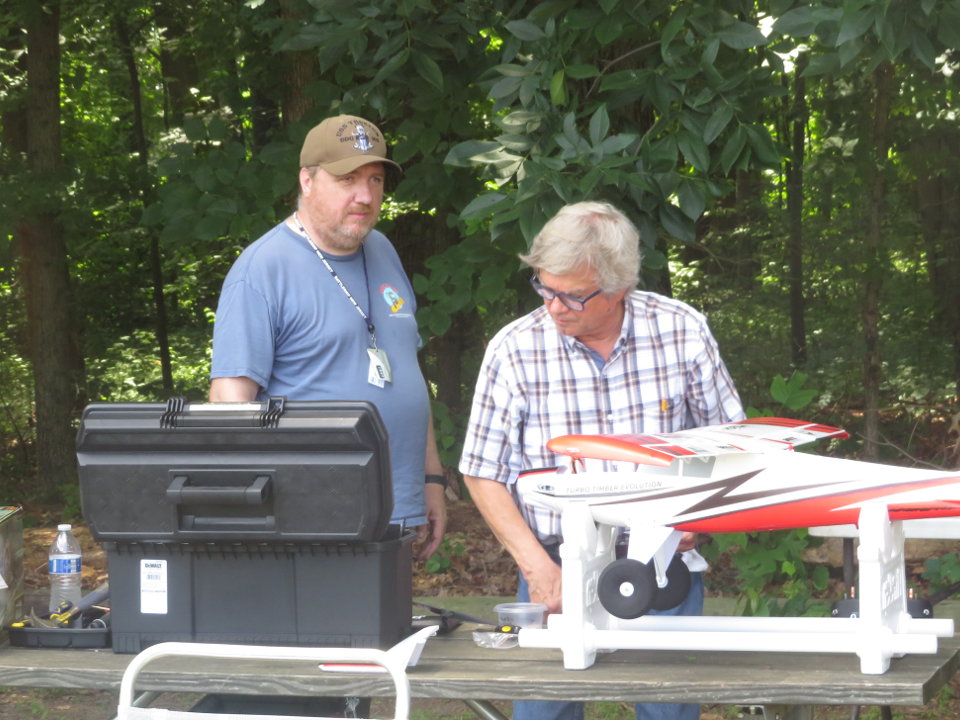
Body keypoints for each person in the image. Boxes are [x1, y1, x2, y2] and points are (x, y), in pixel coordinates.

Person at [459, 201, 744, 720]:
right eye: (544, 288)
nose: (554, 306)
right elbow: (482, 472)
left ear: (619, 289)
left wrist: (696, 517)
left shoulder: (682, 330)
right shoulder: (513, 350)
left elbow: (732, 443)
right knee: (544, 712)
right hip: (554, 562)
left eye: (572, 295)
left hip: (661, 561)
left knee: (668, 709)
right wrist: (537, 569)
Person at [209, 113, 447, 555]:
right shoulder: (263, 268)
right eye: (348, 179)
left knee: (390, 625)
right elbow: (229, 407)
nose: (365, 196)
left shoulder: (382, 249)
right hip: (310, 522)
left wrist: (431, 480)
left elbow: (406, 373)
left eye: (375, 180)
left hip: (397, 512)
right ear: (307, 181)